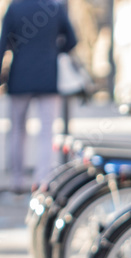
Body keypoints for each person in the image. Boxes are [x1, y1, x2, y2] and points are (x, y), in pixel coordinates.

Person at [0, 0, 77, 193]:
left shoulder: (15, 8)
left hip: (20, 77)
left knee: (17, 129)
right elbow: (72, 39)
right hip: (48, 76)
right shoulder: (55, 7)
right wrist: (53, 51)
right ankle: (42, 180)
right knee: (46, 131)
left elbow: (2, 43)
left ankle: (17, 180)